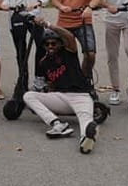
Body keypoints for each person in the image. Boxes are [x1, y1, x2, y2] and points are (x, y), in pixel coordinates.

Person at [22, 19, 98, 154]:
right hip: (61, 97)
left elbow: (69, 36)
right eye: (47, 44)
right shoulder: (44, 62)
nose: (50, 46)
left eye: (53, 43)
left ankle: (85, 139)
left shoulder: (69, 52)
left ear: (60, 43)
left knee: (85, 120)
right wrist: (47, 97)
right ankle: (57, 124)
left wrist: (48, 25)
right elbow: (51, 84)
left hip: (81, 96)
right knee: (28, 96)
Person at [2, 0, 50, 92]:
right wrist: (5, 4)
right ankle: (22, 80)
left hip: (34, 15)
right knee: (21, 51)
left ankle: (39, 79)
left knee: (41, 46)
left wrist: (38, 2)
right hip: (16, 15)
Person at [51, 0, 101, 83]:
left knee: (90, 54)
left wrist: (90, 7)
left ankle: (84, 79)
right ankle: (61, 80)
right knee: (59, 54)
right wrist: (61, 6)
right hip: (64, 22)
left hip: (83, 21)